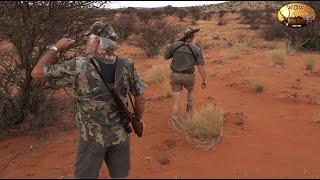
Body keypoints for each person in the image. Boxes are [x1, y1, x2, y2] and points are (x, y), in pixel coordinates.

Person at [31, 22, 146, 179]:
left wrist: (56, 48)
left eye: (90, 39)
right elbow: (140, 98)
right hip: (120, 135)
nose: (87, 42)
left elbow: (37, 73)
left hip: (92, 139)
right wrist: (137, 119)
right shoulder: (127, 64)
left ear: (97, 42)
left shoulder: (80, 65)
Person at [163, 27, 207, 129]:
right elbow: (200, 66)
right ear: (192, 37)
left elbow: (165, 56)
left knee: (176, 101)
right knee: (190, 91)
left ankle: (175, 122)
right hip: (189, 76)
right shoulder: (196, 49)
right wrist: (204, 79)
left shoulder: (175, 45)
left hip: (175, 76)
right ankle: (188, 113)